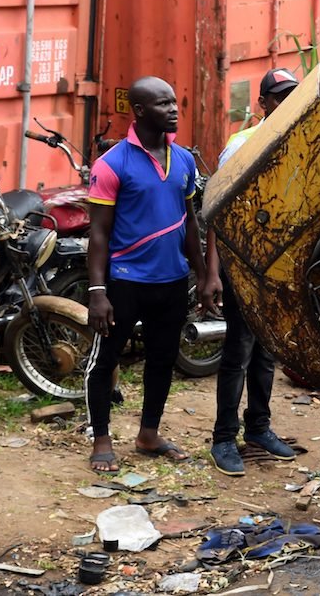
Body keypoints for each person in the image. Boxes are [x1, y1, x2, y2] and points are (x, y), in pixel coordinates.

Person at [85, 76, 216, 473]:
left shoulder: (186, 160)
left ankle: (148, 434)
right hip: (125, 282)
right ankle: (102, 438)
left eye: (175, 102)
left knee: (162, 359)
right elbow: (99, 233)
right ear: (139, 111)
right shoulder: (112, 164)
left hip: (172, 281)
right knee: (106, 360)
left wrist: (205, 275)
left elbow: (190, 222)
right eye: (163, 104)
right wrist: (97, 290)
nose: (173, 110)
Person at [206, 70, 299, 476]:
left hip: (277, 267)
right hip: (243, 266)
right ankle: (223, 439)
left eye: (293, 96)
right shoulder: (241, 146)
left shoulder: (301, 143)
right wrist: (213, 272)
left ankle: (258, 428)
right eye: (279, 97)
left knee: (267, 352)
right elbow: (216, 212)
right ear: (263, 103)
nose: (287, 104)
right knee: (239, 352)